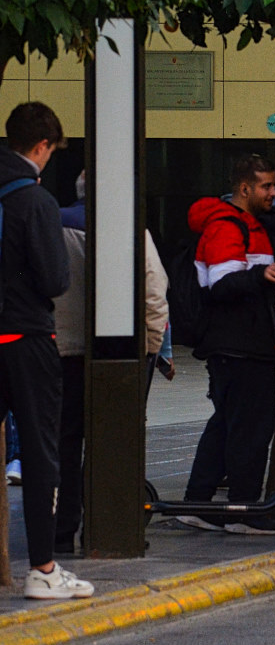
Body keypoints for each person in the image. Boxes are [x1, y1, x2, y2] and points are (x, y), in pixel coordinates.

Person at [180, 155, 275, 534]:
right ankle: (244, 509)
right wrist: (262, 275)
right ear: (245, 188)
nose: (274, 193)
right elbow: (223, 282)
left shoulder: (248, 224)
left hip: (239, 342)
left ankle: (199, 503)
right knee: (250, 428)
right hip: (240, 343)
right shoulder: (226, 225)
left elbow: (247, 279)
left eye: (274, 185)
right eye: (266, 186)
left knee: (228, 425)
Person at [0, 102, 91, 598]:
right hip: (27, 338)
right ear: (41, 147)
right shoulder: (36, 203)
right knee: (40, 453)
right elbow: (55, 279)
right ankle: (44, 568)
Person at [52, 171, 169, 554]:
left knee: (65, 442)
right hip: (118, 354)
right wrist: (151, 348)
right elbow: (154, 291)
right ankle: (104, 530)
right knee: (113, 441)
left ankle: (61, 529)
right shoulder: (131, 229)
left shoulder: (54, 222)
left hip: (62, 351)